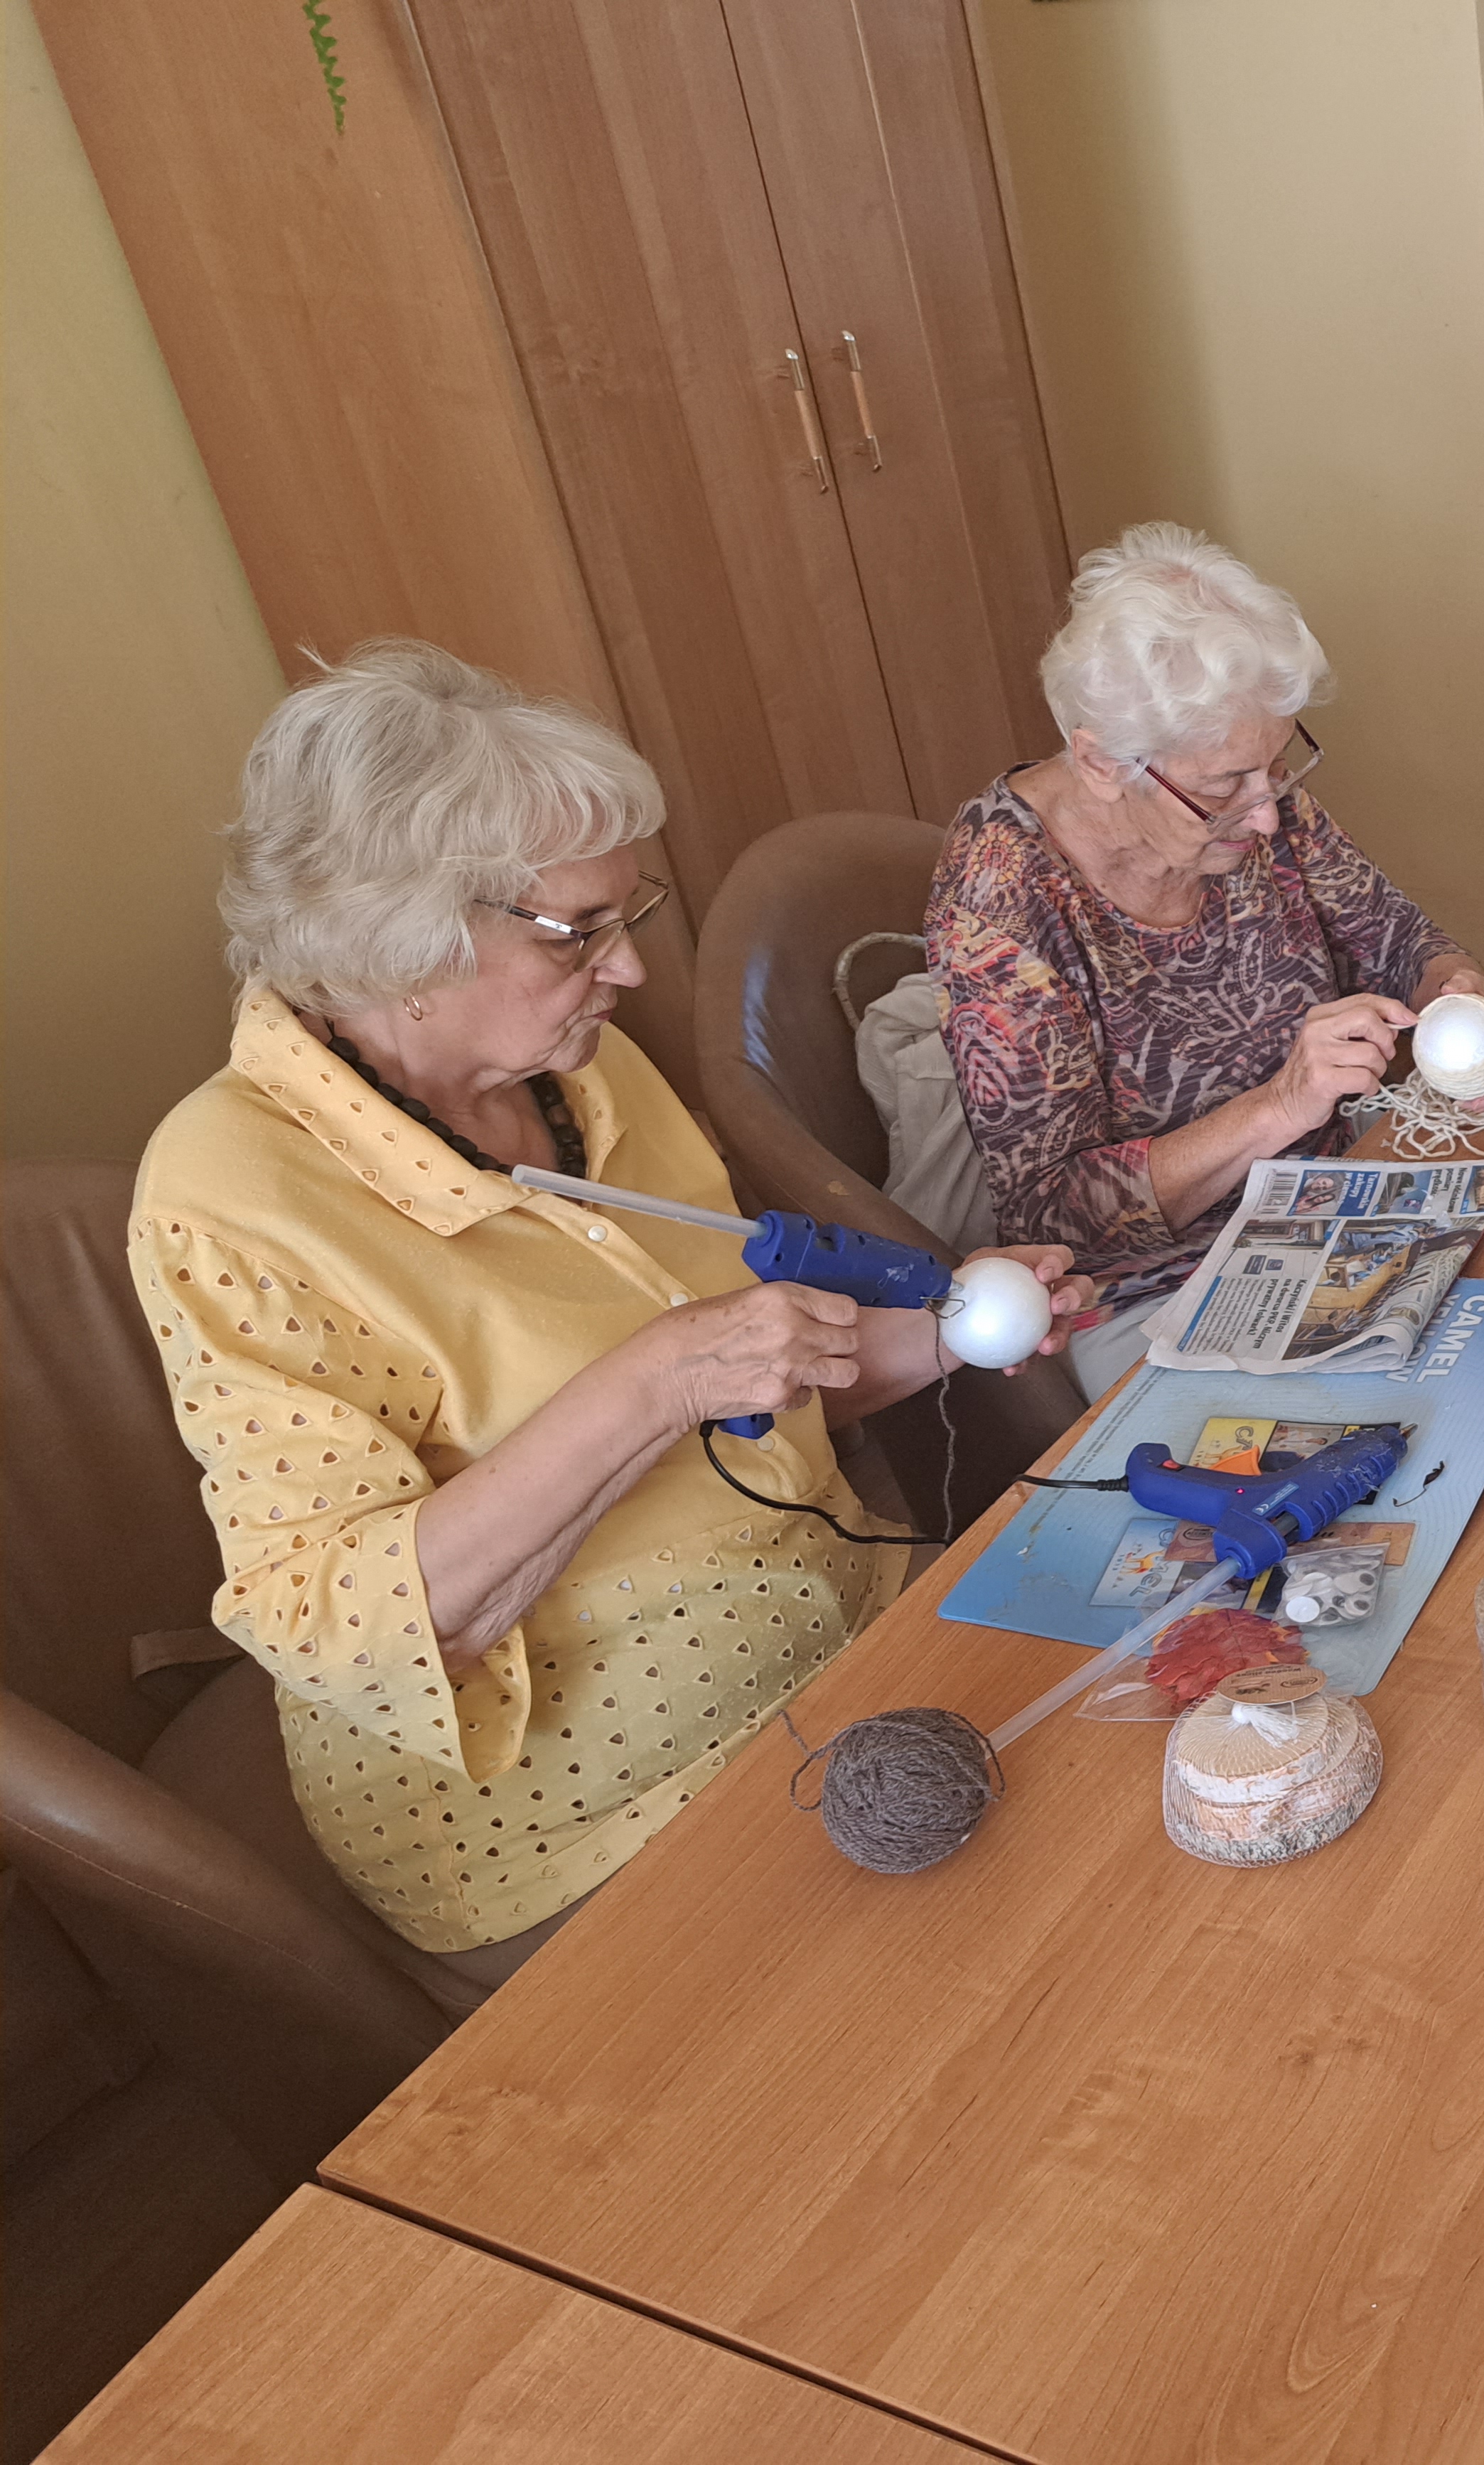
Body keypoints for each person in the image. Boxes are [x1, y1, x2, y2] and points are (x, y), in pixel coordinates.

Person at [129, 645, 1093, 1980]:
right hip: (573, 1800)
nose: (630, 968)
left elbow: (754, 1375)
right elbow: (343, 1627)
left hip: (840, 1614)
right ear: (398, 938)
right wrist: (651, 1381)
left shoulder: (579, 1071)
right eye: (577, 931)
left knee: (1125, 1834)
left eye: (622, 910)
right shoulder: (232, 1194)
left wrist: (948, 1335)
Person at [926, 524, 1484, 1395]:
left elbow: (1400, 939)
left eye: (1278, 768)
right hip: (1160, 1286)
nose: (1265, 817)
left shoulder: (1253, 798)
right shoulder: (1001, 900)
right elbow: (1058, 1218)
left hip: (1339, 1193)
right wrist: (1283, 1103)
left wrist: (1462, 995)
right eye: (1224, 787)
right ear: (1103, 763)